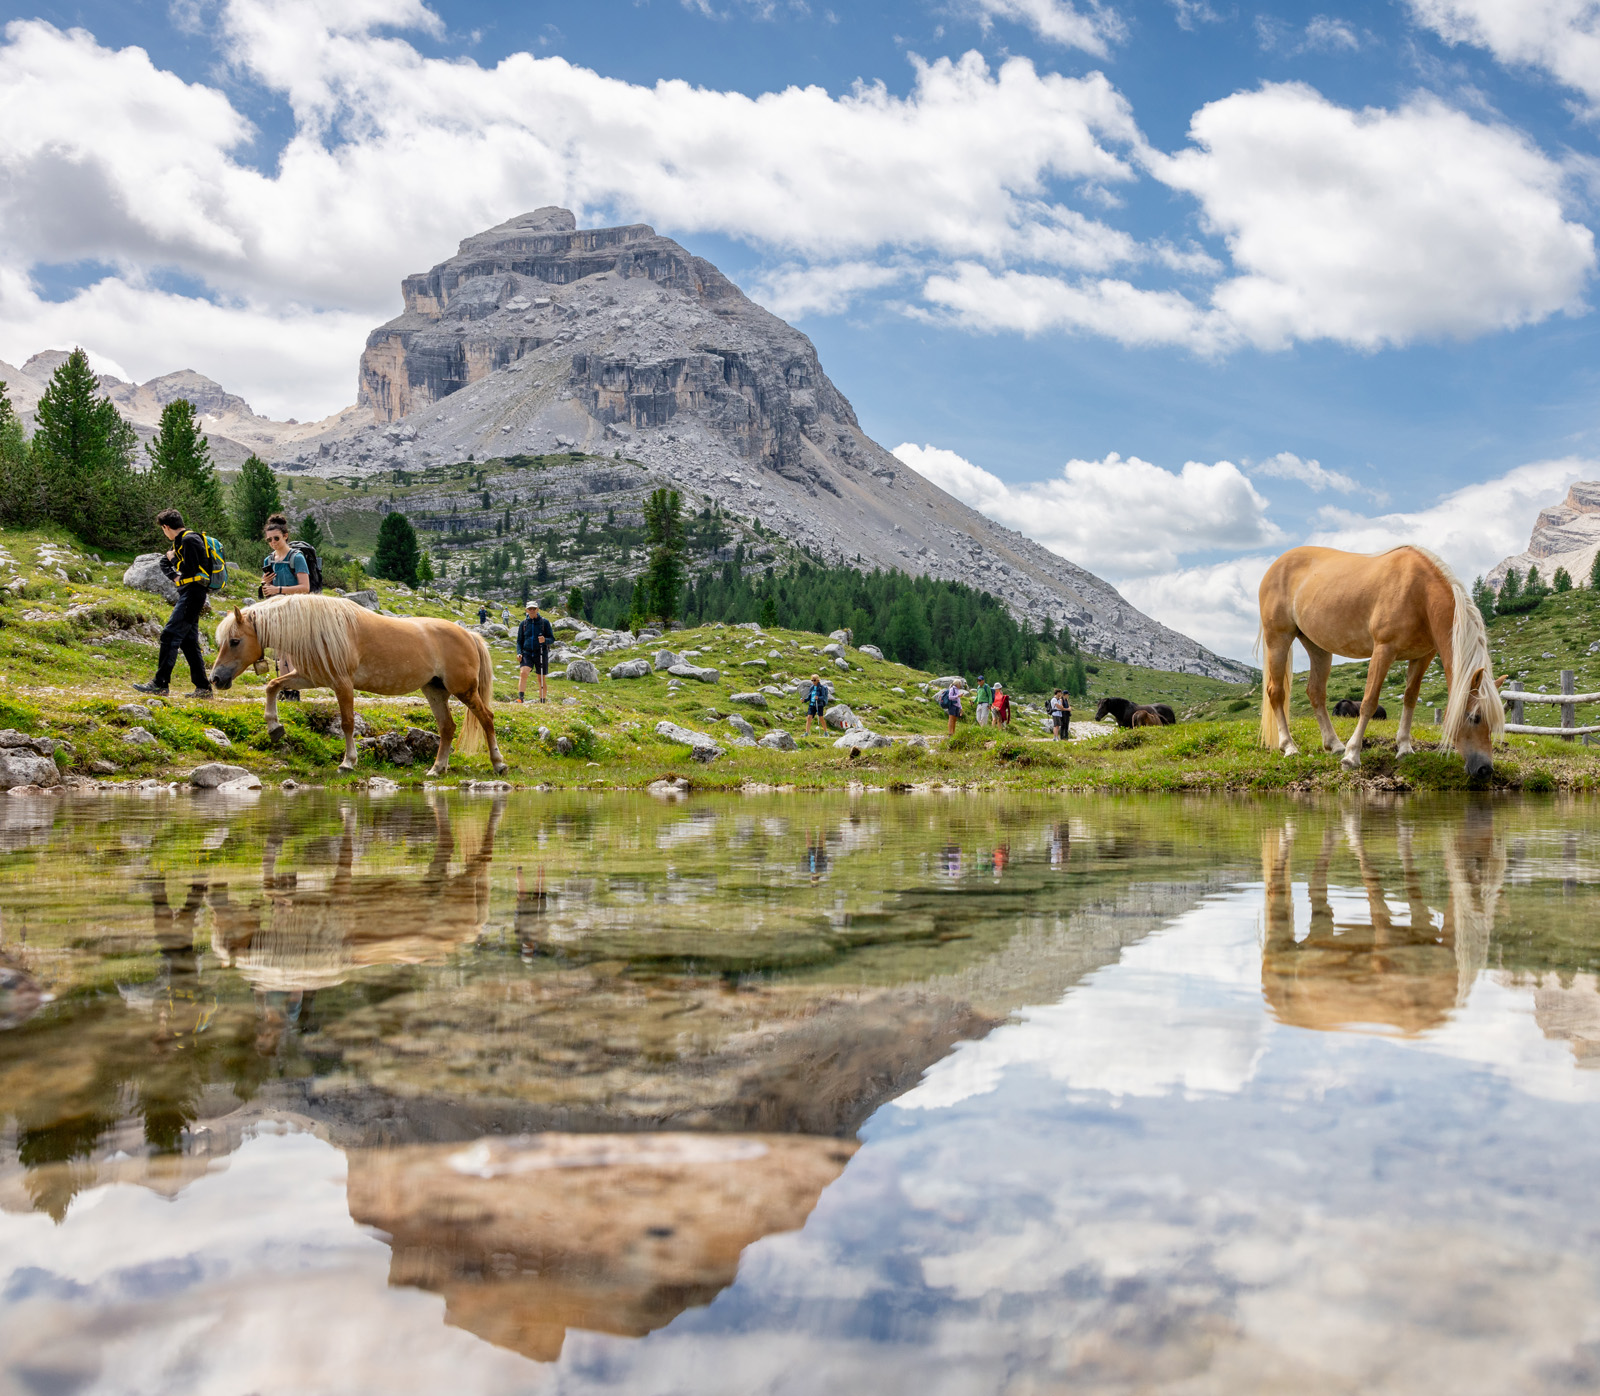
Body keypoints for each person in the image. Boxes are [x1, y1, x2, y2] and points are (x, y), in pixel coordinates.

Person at [133, 509, 213, 698]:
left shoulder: (189, 540)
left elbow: (190, 568)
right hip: (188, 591)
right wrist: (175, 576)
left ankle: (160, 684)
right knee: (188, 641)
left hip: (194, 592)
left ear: (166, 527)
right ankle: (203, 688)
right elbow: (165, 562)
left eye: (163, 529)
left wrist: (174, 560)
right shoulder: (180, 542)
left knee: (169, 635)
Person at [260, 513, 310, 701]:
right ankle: (285, 689)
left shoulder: (296, 558)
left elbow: (305, 588)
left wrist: (278, 589)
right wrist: (264, 583)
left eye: (276, 538)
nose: (272, 542)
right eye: (269, 540)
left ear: (286, 536)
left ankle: (292, 690)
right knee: (281, 653)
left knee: (290, 652)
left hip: (295, 609)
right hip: (276, 610)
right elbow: (267, 590)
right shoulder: (268, 560)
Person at [517, 599, 555, 702]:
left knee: (541, 678)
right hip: (527, 652)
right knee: (523, 673)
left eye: (534, 608)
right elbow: (519, 641)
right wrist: (519, 652)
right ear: (527, 610)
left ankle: (542, 700)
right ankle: (521, 698)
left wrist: (545, 640)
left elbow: (552, 638)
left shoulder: (544, 622)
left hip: (541, 653)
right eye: (530, 609)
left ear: (537, 609)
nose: (532, 610)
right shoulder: (523, 624)